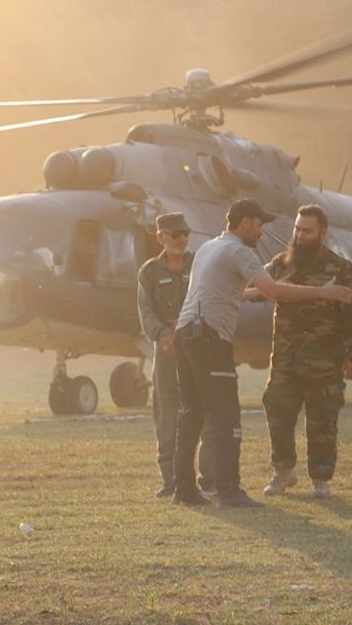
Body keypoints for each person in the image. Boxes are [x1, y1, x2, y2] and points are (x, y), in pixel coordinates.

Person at [172, 198, 352, 508]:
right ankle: (229, 492)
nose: (261, 232)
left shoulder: (209, 248)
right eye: (259, 225)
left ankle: (185, 490)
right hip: (209, 339)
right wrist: (324, 291)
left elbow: (237, 292)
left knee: (191, 414)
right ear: (245, 223)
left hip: (185, 335)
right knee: (225, 417)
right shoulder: (239, 251)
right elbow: (275, 292)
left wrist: (272, 287)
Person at [249, 204, 352, 499]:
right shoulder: (279, 265)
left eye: (307, 230)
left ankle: (321, 479)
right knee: (277, 413)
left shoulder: (342, 270)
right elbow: (254, 288)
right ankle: (282, 471)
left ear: (322, 233)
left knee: (322, 422)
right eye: (297, 229)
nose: (300, 236)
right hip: (285, 361)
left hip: (325, 363)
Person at [137, 212, 211, 498]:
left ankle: (208, 477)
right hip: (166, 350)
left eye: (185, 233)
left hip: (199, 347)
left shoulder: (201, 265)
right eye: (175, 234)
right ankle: (170, 479)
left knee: (204, 409)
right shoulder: (149, 272)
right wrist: (165, 335)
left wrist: (188, 327)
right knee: (167, 410)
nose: (182, 239)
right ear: (160, 237)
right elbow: (145, 312)